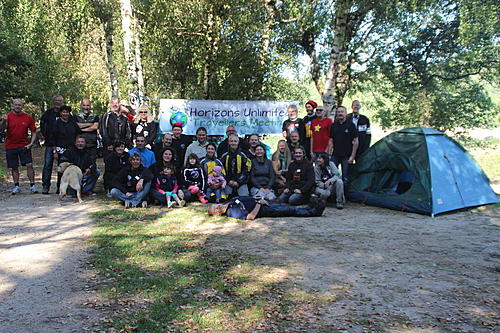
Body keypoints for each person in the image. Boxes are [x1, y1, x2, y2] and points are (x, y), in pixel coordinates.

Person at [0, 99, 38, 194]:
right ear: (12, 106)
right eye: (16, 105)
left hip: (24, 146)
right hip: (11, 146)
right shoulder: (7, 117)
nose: (17, 106)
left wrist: (31, 143)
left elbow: (34, 131)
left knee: (29, 165)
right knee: (14, 167)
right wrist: (4, 121)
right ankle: (16, 186)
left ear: (22, 106)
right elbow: (2, 129)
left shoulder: (28, 118)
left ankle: (32, 185)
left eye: (19, 105)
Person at [208, 196, 326, 220]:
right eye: (216, 209)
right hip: (264, 209)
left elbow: (244, 198)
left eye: (216, 205)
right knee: (290, 211)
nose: (218, 207)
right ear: (218, 214)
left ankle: (310, 207)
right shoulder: (232, 212)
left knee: (288, 206)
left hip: (263, 202)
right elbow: (250, 216)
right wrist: (259, 204)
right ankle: (314, 212)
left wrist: (255, 198)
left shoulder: (230, 202)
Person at [40, 95, 64, 194]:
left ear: (62, 102)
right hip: (50, 144)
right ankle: (45, 186)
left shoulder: (65, 113)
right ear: (53, 101)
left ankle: (60, 187)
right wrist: (46, 136)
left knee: (62, 166)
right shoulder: (47, 114)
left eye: (59, 101)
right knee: (47, 165)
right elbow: (42, 126)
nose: (57, 102)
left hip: (62, 144)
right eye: (56, 100)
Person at [329, 105, 358, 182]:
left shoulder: (351, 125)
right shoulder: (333, 125)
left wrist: (352, 156)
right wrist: (329, 154)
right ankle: (334, 192)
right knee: (332, 175)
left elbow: (356, 141)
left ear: (346, 113)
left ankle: (346, 193)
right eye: (338, 112)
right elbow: (331, 141)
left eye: (342, 112)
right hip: (335, 155)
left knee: (346, 177)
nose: (340, 113)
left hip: (347, 156)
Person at [75, 98, 99, 164]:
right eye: (84, 105)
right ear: (81, 106)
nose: (86, 107)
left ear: (90, 106)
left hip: (92, 145)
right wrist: (90, 124)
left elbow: (95, 127)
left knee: (91, 165)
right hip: (79, 145)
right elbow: (76, 126)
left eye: (88, 105)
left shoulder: (95, 116)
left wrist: (82, 129)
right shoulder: (76, 116)